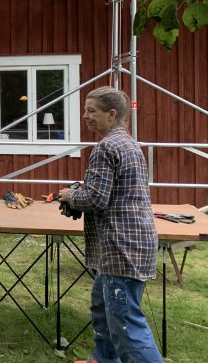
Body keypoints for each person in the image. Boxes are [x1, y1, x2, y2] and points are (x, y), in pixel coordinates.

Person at [59, 87, 162, 363]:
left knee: (126, 324)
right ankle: (103, 360)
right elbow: (112, 193)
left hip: (121, 247)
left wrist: (70, 195)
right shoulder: (128, 143)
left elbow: (96, 199)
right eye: (85, 110)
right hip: (133, 241)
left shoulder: (106, 147)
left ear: (112, 114)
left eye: (92, 111)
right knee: (102, 306)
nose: (85, 116)